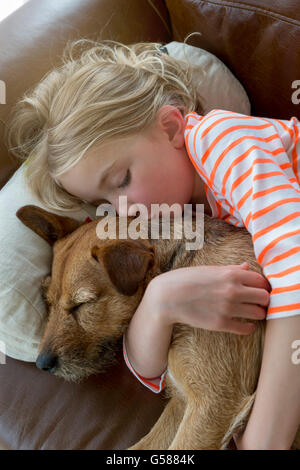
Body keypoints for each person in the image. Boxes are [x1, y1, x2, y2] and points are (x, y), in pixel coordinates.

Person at [7, 39, 300, 449]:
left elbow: (294, 263)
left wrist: (265, 439)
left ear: (172, 128)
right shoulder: (189, 225)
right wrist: (160, 301)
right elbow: (154, 370)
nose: (122, 211)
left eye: (122, 180)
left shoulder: (223, 141)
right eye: (103, 204)